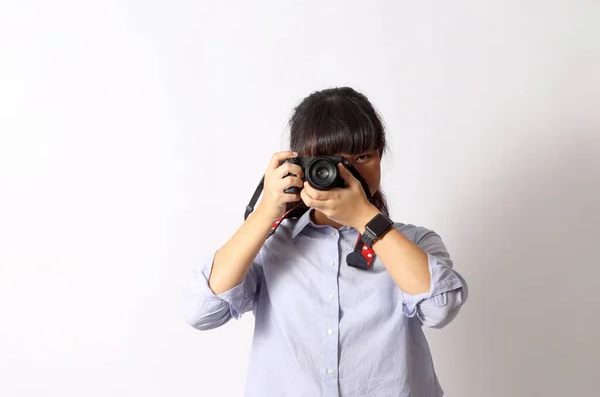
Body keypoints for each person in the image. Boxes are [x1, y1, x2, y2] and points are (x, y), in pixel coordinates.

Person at [182, 86, 468, 396]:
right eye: (331, 161)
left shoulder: (414, 241)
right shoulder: (270, 243)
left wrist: (365, 220)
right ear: (300, 165)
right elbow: (202, 311)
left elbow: (441, 309)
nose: (348, 172)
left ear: (380, 158)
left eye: (363, 156)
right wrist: (266, 211)